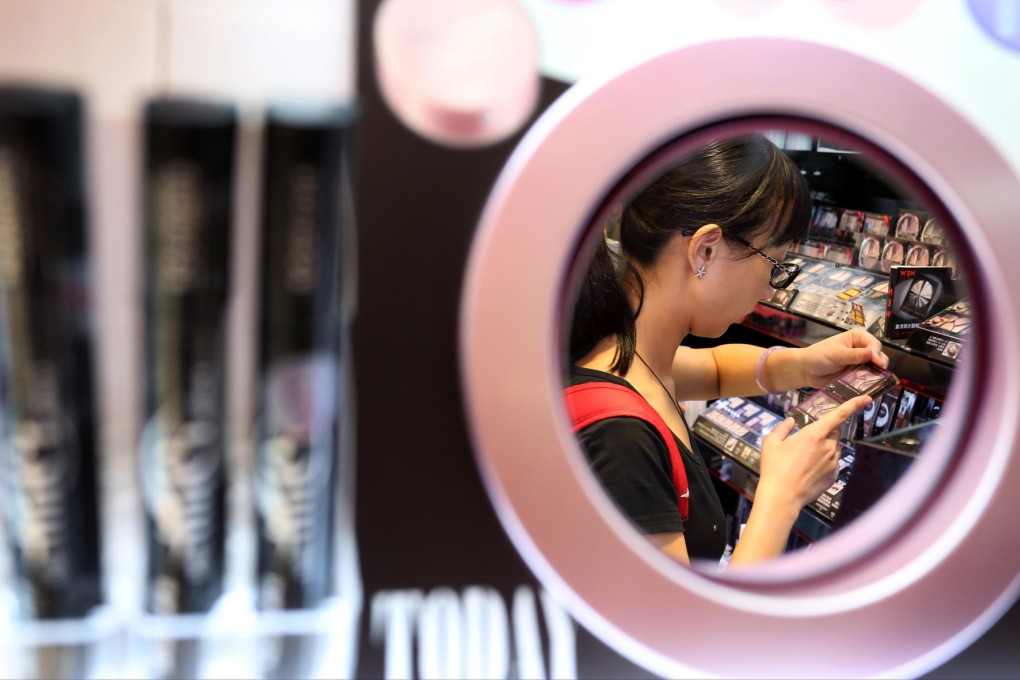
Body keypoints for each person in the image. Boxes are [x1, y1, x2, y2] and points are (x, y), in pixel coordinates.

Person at [567, 134, 888, 567]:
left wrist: (805, 364)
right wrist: (782, 495)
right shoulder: (620, 437)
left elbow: (714, 369)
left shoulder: (626, 350)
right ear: (706, 249)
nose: (770, 290)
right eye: (775, 265)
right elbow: (689, 629)